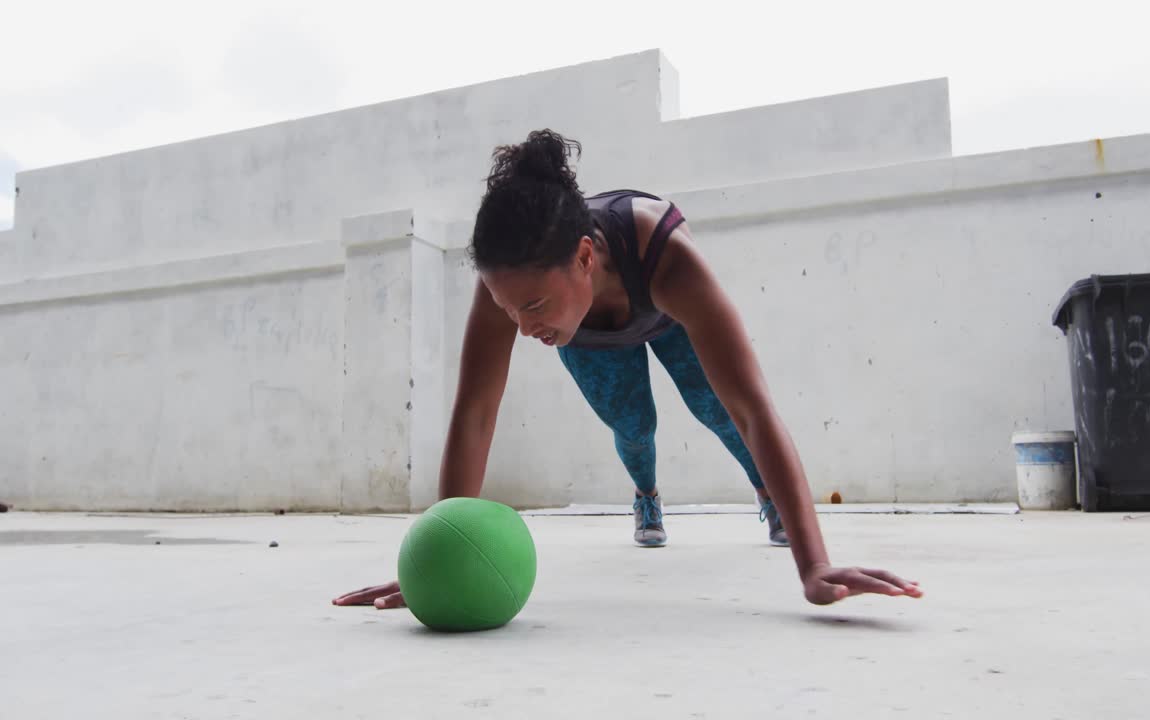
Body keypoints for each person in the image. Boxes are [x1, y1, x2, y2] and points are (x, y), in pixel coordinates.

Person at [333, 129, 923, 608]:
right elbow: (476, 413)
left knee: (717, 410)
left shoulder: (669, 258)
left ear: (585, 257)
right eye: (508, 308)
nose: (520, 326)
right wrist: (439, 562)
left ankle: (766, 492)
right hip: (590, 335)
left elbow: (753, 406)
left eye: (533, 306)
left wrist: (814, 563)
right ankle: (647, 493)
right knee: (634, 426)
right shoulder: (509, 287)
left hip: (666, 316)